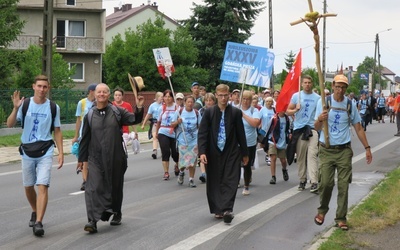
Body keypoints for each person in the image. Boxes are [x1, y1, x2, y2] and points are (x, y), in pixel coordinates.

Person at [77, 83, 144, 233]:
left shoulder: (117, 111)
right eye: (99, 92)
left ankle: (116, 212)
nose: (101, 94)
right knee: (92, 187)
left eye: (104, 92)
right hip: (95, 158)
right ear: (94, 94)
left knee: (115, 187)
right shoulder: (89, 114)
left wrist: (139, 107)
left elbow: (134, 119)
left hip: (115, 156)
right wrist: (81, 160)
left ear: (108, 95)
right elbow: (85, 139)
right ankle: (92, 221)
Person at [6, 75, 64, 236]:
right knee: (28, 186)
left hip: (46, 150)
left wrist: (60, 152)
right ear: (33, 86)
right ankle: (34, 209)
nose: (42, 89)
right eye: (39, 86)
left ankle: (38, 222)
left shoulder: (53, 107)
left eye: (45, 87)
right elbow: (9, 124)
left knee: (42, 185)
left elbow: (57, 131)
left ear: (49, 88)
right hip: (27, 151)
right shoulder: (25, 104)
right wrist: (16, 107)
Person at [313, 74, 372, 231]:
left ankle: (341, 218)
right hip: (326, 149)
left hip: (344, 150)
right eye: (338, 86)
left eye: (343, 87)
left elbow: (358, 127)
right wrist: (320, 118)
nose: (340, 90)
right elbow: (316, 127)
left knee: (344, 185)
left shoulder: (350, 104)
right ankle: (322, 210)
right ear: (333, 86)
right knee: (326, 183)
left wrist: (367, 148)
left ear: (346, 89)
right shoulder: (324, 102)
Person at [198, 84, 249, 224]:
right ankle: (217, 209)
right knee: (214, 180)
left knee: (231, 178)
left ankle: (227, 209)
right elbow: (202, 133)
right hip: (213, 151)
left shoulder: (235, 113)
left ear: (230, 95)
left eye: (226, 95)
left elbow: (240, 134)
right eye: (220, 95)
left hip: (231, 151)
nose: (223, 98)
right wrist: (202, 152)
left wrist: (245, 153)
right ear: (216, 95)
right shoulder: (209, 113)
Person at [286, 75, 320, 193]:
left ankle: (314, 181)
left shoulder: (317, 98)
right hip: (299, 129)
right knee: (300, 157)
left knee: (312, 155)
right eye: (305, 82)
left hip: (312, 129)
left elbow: (321, 114)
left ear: (312, 83)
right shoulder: (296, 96)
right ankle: (302, 179)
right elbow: (287, 111)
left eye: (309, 82)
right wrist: (296, 109)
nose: (307, 84)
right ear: (302, 84)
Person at [172, 95, 202, 188]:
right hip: (182, 140)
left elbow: (200, 126)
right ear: (185, 103)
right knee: (184, 161)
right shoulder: (179, 112)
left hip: (194, 140)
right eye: (188, 102)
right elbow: (172, 124)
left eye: (192, 102)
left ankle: (191, 179)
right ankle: (181, 172)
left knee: (192, 161)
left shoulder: (196, 113)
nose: (190, 104)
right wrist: (178, 121)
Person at [72, 83, 96, 191]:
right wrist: (76, 136)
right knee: (84, 159)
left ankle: (94, 179)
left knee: (94, 159)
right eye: (97, 91)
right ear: (91, 91)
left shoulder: (98, 103)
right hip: (84, 135)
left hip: (96, 135)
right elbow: (78, 120)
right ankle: (85, 181)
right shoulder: (82, 103)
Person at [239, 90, 260, 195]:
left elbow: (255, 123)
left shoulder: (254, 111)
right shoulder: (235, 110)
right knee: (235, 164)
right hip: (237, 143)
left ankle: (246, 185)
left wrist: (243, 115)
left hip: (250, 142)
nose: (245, 101)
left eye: (248, 99)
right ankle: (235, 183)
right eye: (244, 98)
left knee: (247, 165)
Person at [156, 90, 179, 180]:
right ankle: (166, 172)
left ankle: (177, 165)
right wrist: (157, 133)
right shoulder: (161, 108)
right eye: (165, 96)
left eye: (169, 96)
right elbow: (158, 121)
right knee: (165, 151)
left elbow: (181, 120)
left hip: (174, 133)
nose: (167, 98)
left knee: (175, 153)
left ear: (173, 98)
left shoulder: (177, 107)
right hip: (163, 131)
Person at [265, 111, 290, 184]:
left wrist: (289, 136)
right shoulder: (274, 118)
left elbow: (288, 129)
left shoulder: (287, 118)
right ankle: (273, 177)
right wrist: (264, 139)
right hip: (273, 140)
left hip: (282, 141)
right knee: (273, 158)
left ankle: (284, 169)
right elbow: (268, 128)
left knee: (283, 160)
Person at [197, 93, 217, 183]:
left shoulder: (217, 110)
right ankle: (204, 173)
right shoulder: (201, 111)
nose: (208, 102)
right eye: (207, 100)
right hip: (204, 135)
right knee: (202, 153)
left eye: (210, 100)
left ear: (214, 101)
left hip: (214, 137)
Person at [141, 92, 163, 159]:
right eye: (161, 97)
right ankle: (154, 151)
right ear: (157, 98)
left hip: (163, 124)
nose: (162, 98)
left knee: (162, 138)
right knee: (155, 137)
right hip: (155, 123)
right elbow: (148, 115)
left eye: (163, 97)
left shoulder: (164, 105)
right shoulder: (152, 106)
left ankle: (163, 151)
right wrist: (143, 124)